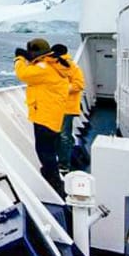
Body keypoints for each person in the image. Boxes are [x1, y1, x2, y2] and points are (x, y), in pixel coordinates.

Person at [14, 38, 73, 195]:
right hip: (52, 114)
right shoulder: (55, 65)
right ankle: (51, 174)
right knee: (49, 148)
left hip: (44, 116)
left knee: (44, 150)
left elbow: (23, 74)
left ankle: (55, 183)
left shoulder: (44, 68)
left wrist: (19, 58)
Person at [52, 44, 86, 172]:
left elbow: (79, 84)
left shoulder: (72, 67)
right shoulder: (55, 65)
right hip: (56, 106)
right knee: (59, 135)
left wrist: (60, 89)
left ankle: (64, 165)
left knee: (63, 135)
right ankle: (64, 158)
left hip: (67, 107)